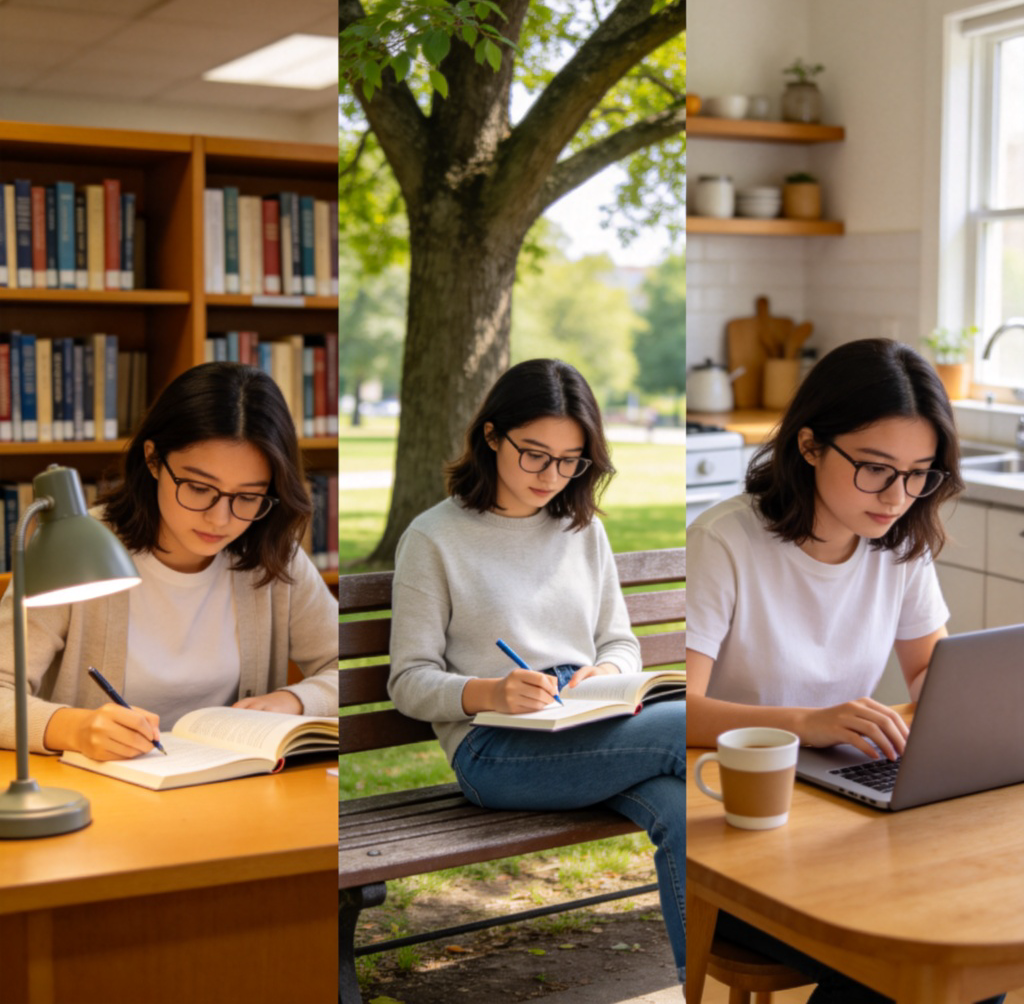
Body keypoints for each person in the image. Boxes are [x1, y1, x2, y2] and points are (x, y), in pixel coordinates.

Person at [686, 337, 1004, 1004]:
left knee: (963, 951)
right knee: (905, 967)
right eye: (876, 469)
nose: (898, 496)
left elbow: (931, 678)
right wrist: (806, 723)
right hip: (745, 823)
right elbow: (680, 711)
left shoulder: (901, 546)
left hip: (846, 811)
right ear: (809, 446)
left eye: (920, 473)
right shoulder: (724, 543)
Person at [387, 358, 685, 985]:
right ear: (491, 436)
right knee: (690, 726)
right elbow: (408, 681)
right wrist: (487, 690)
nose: (552, 476)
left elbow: (620, 642)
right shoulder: (434, 538)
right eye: (534, 455)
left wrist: (604, 671)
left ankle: (706, 988)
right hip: (496, 749)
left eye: (571, 460)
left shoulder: (581, 530)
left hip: (592, 723)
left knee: (685, 816)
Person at [0, 362, 338, 761]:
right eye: (198, 488)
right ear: (154, 459)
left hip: (236, 793)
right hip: (106, 798)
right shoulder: (79, 549)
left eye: (248, 497)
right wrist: (73, 728)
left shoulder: (273, 557)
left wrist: (296, 700)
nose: (220, 519)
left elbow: (346, 666)